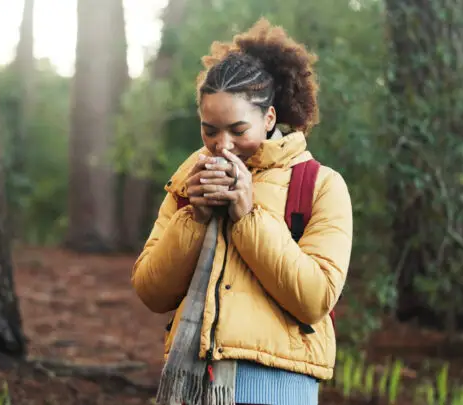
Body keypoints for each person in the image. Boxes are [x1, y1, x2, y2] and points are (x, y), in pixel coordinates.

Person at [130, 18, 353, 405]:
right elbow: (151, 291)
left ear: (269, 118)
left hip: (280, 390)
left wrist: (249, 216)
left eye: (237, 130)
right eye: (209, 130)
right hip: (192, 388)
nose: (223, 146)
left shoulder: (320, 184)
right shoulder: (187, 182)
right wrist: (194, 220)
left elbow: (315, 299)